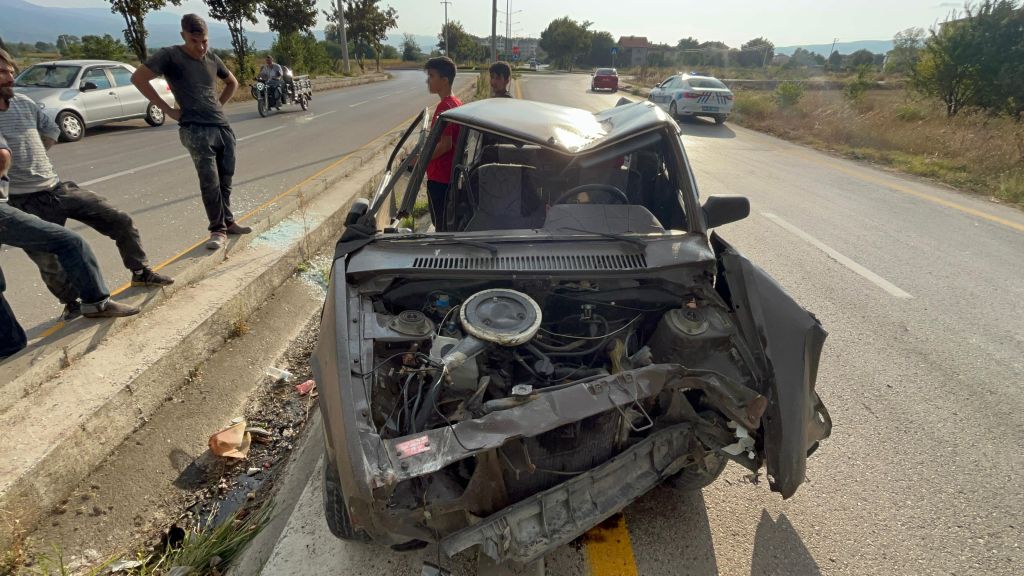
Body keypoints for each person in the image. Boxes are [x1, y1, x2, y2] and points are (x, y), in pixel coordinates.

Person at [0, 48, 171, 321]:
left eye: (10, 70)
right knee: (49, 260)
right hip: (22, 200)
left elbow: (50, 130)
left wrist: (36, 158)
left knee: (119, 220)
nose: (9, 77)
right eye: (1, 73)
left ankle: (140, 272)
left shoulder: (24, 103)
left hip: (57, 187)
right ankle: (72, 304)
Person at [1, 134, 139, 360]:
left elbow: (47, 133)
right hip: (13, 205)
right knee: (69, 243)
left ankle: (8, 349)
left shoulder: (25, 106)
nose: (8, 105)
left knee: (113, 221)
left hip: (52, 188)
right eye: (6, 100)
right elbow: (2, 155)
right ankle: (95, 304)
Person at [131, 14, 250, 251]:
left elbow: (232, 83)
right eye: (194, 41)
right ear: (183, 36)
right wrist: (166, 110)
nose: (200, 46)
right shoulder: (170, 56)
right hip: (195, 129)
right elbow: (139, 78)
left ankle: (228, 221)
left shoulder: (212, 58)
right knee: (210, 180)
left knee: (226, 179)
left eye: (204, 41)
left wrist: (217, 105)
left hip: (221, 127)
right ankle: (217, 229)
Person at [423, 57, 462, 231]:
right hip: (449, 177)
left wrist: (421, 160)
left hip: (440, 178)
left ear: (444, 80)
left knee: (441, 226)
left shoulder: (444, 107)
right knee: (446, 223)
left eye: (431, 76)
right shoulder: (456, 103)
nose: (427, 80)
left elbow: (445, 144)